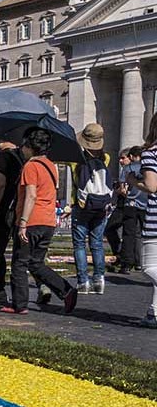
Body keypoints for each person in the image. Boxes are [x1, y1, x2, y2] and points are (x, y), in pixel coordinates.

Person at [2, 127, 78, 315]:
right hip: (48, 221)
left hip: (32, 220)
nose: (22, 149)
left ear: (30, 146)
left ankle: (19, 304)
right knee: (35, 263)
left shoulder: (30, 166)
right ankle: (66, 290)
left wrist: (23, 222)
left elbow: (31, 195)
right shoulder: (51, 166)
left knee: (19, 263)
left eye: (24, 145)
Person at [0, 124, 25, 305]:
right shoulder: (22, 157)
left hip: (3, 211)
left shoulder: (2, 157)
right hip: (20, 208)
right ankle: (41, 286)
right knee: (22, 254)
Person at [72, 123, 113, 295]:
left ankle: (83, 282)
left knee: (80, 244)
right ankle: (99, 279)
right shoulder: (106, 158)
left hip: (82, 206)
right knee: (96, 244)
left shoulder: (75, 159)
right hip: (101, 205)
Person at [129, 113, 157, 328]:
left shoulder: (150, 153)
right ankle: (153, 313)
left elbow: (151, 186)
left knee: (148, 266)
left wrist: (132, 180)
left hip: (155, 218)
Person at [118, 146, 148, 275]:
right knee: (144, 234)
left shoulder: (127, 168)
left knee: (128, 234)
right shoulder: (148, 168)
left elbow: (122, 189)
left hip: (130, 204)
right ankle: (143, 262)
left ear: (131, 156)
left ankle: (126, 264)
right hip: (146, 204)